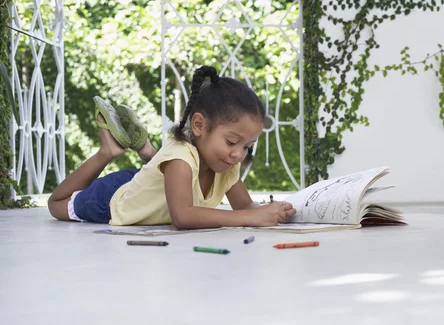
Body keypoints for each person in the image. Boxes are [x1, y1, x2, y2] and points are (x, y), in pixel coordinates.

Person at [48, 65, 296, 228]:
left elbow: (245, 206)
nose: (238, 153)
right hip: (114, 200)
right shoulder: (180, 157)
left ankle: (148, 153)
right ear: (199, 125)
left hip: (153, 188)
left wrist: (271, 211)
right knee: (56, 204)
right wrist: (250, 218)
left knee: (162, 173)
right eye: (232, 142)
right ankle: (108, 152)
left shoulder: (226, 163)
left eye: (248, 147)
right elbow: (183, 216)